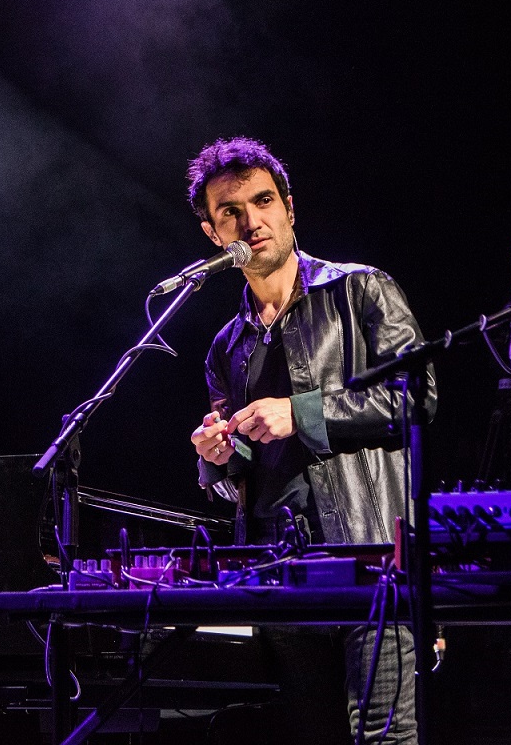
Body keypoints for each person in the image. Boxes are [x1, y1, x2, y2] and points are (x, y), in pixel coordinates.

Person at [186, 136, 436, 745]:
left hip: (370, 561)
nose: (252, 221)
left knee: (383, 737)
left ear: (289, 208)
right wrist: (217, 458)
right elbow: (243, 471)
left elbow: (417, 396)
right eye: (230, 212)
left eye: (263, 201)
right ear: (213, 234)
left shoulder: (360, 289)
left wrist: (301, 413)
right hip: (276, 572)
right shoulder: (225, 345)